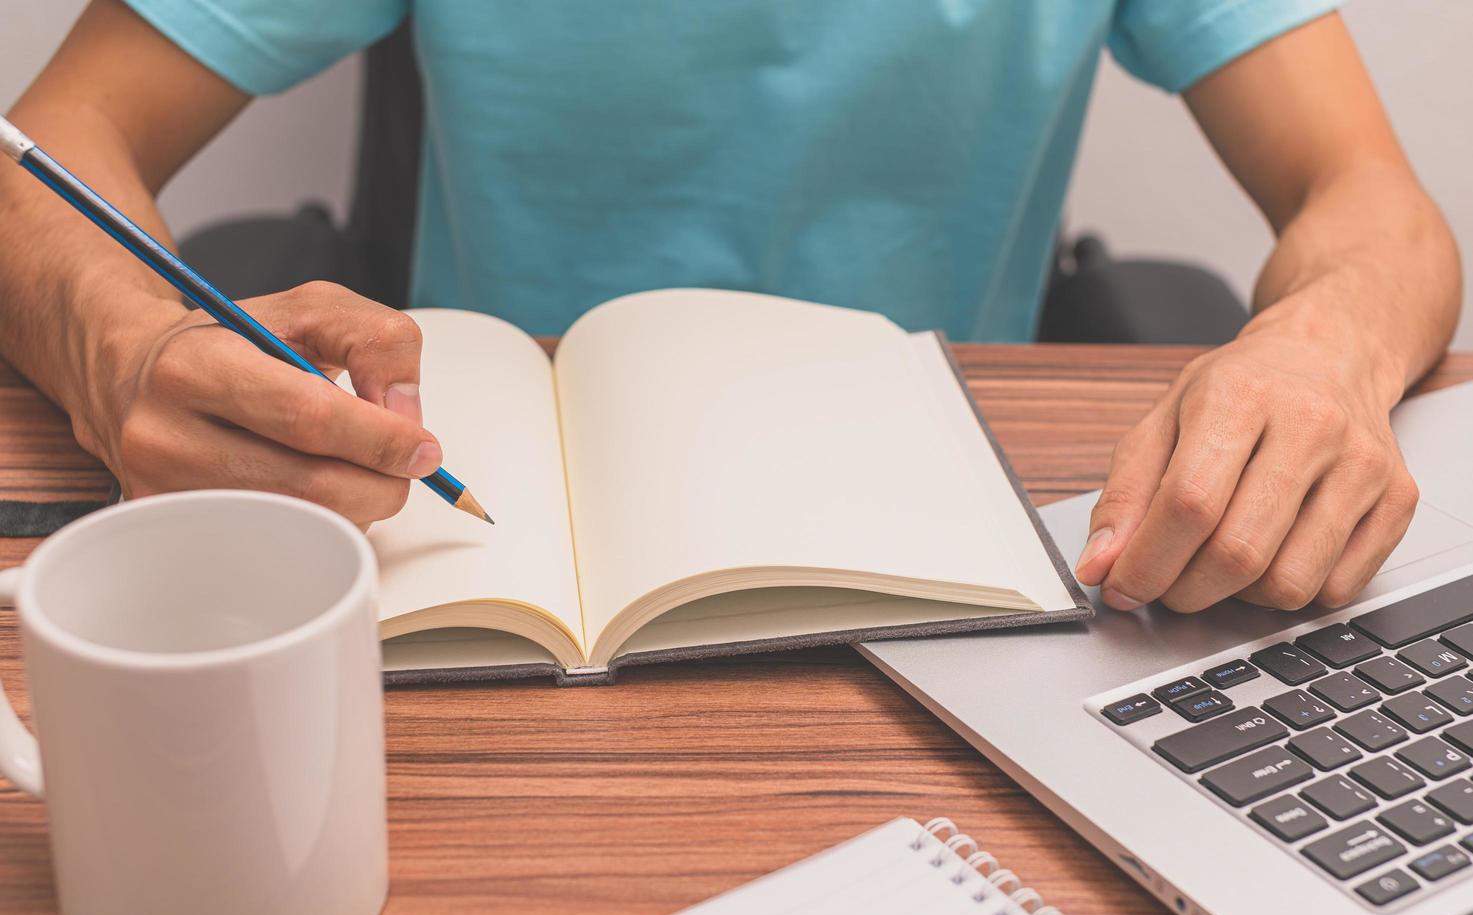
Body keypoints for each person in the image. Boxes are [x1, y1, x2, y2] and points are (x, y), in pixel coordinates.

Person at [0, 1, 1460, 614]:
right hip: (460, 568)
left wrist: (1325, 341)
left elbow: (1371, 208)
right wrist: (124, 338)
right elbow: (43, 159)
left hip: (953, 558)